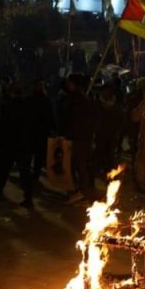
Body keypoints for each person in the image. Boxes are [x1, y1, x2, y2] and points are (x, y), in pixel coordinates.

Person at [0, 81, 35, 209]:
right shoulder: (29, 107)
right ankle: (28, 198)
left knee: (3, 171)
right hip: (24, 144)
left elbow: (0, 125)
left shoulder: (7, 107)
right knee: (25, 173)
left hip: (9, 143)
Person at [59, 75, 97, 203]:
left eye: (69, 82)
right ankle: (77, 191)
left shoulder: (79, 101)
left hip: (78, 139)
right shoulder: (76, 99)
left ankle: (80, 192)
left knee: (78, 166)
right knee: (75, 166)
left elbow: (75, 120)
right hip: (77, 138)